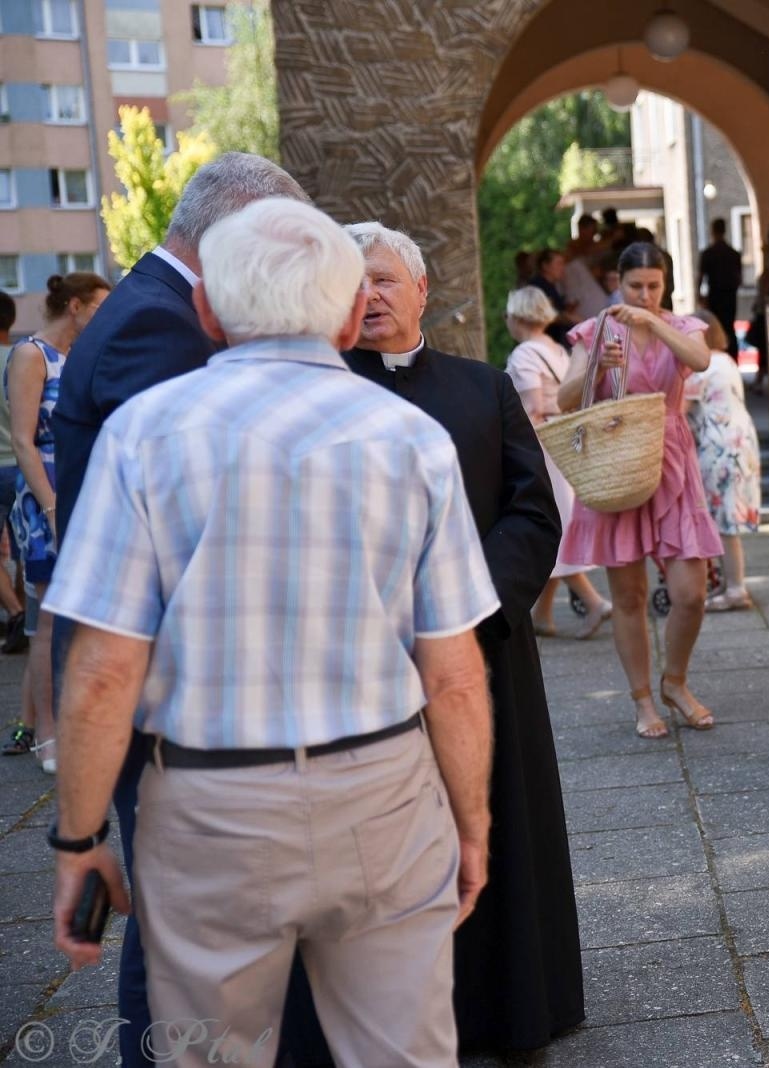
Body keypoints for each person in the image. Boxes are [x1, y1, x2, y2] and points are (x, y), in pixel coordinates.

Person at [46, 197, 500, 1067]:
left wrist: (81, 837)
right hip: (386, 795)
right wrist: (471, 822)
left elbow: (102, 671)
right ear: (340, 312)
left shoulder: (143, 434)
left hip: (212, 810)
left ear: (208, 308)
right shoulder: (412, 437)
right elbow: (454, 673)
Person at [278, 221, 579, 1060]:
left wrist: (466, 604)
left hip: (479, 648)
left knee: (494, 824)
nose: (369, 296)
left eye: (382, 280)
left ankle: (507, 1009)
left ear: (420, 290)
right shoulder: (318, 391)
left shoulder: (483, 388)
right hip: (360, 663)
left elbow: (532, 508)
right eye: (353, 284)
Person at [48, 151, 308, 1068]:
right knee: (175, 924)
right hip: (162, 675)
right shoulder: (154, 327)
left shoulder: (157, 309)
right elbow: (190, 506)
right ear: (234, 233)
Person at [556, 241, 723, 739]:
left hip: (671, 460)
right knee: (628, 596)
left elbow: (702, 359)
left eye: (654, 286)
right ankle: (643, 700)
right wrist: (598, 367)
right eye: (635, 287)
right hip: (616, 462)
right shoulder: (593, 333)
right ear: (617, 283)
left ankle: (675, 682)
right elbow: (565, 401)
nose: (645, 294)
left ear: (666, 284)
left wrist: (652, 324)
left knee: (690, 593)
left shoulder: (682, 326)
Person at [3, 272, 109, 774]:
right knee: (50, 620)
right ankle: (48, 734)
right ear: (74, 306)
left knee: (63, 618)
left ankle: (45, 721)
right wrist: (49, 508)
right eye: (98, 308)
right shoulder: (31, 355)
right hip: (45, 494)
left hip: (77, 487)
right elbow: (23, 440)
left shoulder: (74, 356)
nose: (103, 318)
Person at [504, 284, 614, 638]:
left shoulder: (523, 355)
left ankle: (594, 602)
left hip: (543, 446)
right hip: (566, 441)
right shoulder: (555, 349)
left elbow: (532, 408)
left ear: (517, 317)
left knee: (552, 528)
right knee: (560, 522)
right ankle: (543, 615)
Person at [685, 310, 760, 611]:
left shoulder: (700, 368)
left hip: (718, 445)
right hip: (741, 440)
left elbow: (679, 408)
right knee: (729, 517)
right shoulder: (726, 360)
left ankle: (735, 588)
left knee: (725, 522)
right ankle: (731, 584)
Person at [0, 289, 22, 656]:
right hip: (21, 466)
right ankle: (25, 617)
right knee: (24, 550)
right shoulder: (23, 357)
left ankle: (16, 613)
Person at [698, 218, 743, 355]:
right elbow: (739, 278)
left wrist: (698, 294)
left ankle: (716, 355)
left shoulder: (708, 253)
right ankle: (733, 359)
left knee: (714, 327)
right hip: (729, 296)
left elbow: (700, 276)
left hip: (715, 295)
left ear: (713, 231)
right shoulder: (733, 254)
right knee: (729, 328)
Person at [531, 249, 579, 345]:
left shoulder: (551, 285)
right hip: (546, 342)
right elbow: (548, 313)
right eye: (558, 263)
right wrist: (574, 320)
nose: (562, 268)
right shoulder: (539, 286)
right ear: (545, 266)